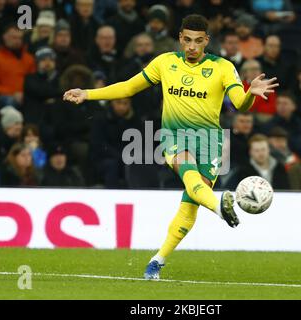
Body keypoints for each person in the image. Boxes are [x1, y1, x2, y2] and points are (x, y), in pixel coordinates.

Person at [63, 14, 278, 280]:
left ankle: (158, 260)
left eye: (198, 41)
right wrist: (88, 93)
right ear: (180, 38)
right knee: (188, 171)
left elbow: (239, 103)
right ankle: (220, 204)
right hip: (175, 135)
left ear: (206, 41)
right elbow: (130, 88)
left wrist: (249, 95)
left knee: (190, 203)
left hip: (210, 142)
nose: (191, 46)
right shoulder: (165, 62)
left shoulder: (223, 67)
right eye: (187, 40)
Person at [0, 24, 36, 107]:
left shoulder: (29, 59)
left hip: (27, 97)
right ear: (4, 37)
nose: (18, 41)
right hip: (4, 98)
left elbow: (34, 82)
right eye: (14, 37)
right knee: (9, 101)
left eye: (20, 38)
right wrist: (13, 93)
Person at [23, 47, 62, 126]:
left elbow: (63, 91)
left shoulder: (61, 78)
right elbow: (38, 91)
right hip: (36, 119)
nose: (47, 63)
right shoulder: (30, 78)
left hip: (56, 120)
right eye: (43, 60)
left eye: (51, 60)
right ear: (37, 63)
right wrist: (54, 94)